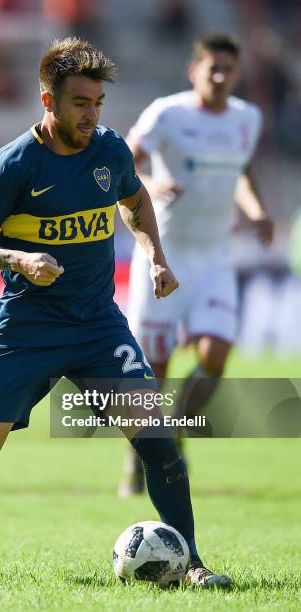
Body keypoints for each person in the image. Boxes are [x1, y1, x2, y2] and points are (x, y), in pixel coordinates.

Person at [0, 37, 231, 588]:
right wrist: (16, 257)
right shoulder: (12, 165)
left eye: (97, 104)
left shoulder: (110, 150)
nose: (91, 115)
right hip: (28, 329)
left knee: (160, 442)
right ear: (48, 102)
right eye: (79, 104)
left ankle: (191, 563)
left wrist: (155, 257)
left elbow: (135, 200)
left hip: (97, 325)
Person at [119, 32, 274, 497]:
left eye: (229, 69)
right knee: (154, 373)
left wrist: (255, 210)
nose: (222, 77)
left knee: (215, 357)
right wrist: (151, 181)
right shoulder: (168, 113)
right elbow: (124, 161)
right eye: (213, 69)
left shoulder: (248, 119)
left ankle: (176, 428)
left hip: (214, 260)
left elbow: (240, 171)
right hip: (163, 259)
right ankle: (138, 455)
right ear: (195, 71)